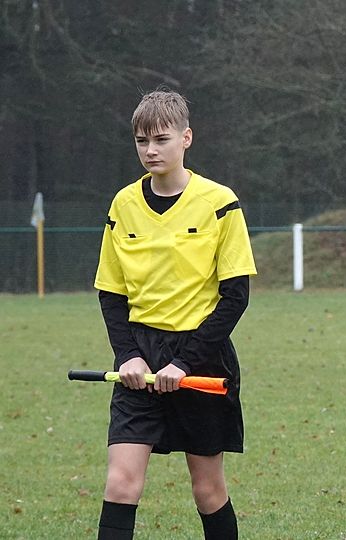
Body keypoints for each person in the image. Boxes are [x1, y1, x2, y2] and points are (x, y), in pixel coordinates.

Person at [93, 89, 257, 540]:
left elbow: (235, 297)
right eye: (141, 141)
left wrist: (184, 362)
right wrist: (128, 355)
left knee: (207, 490)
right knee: (120, 484)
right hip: (139, 358)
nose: (150, 150)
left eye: (161, 139)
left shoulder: (219, 201)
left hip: (201, 359)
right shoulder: (122, 204)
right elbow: (111, 293)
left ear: (186, 138)